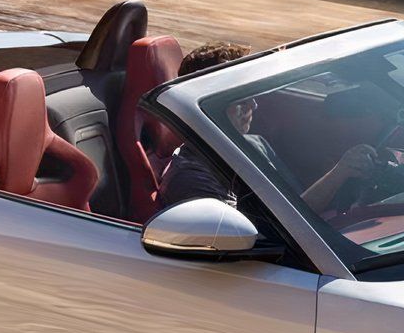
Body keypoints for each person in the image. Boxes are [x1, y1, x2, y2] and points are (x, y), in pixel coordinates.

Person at [155, 43, 378, 215]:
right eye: (238, 99)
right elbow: (282, 229)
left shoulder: (253, 143)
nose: (253, 105)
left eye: (250, 94)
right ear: (204, 108)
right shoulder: (191, 177)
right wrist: (340, 172)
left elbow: (294, 202)